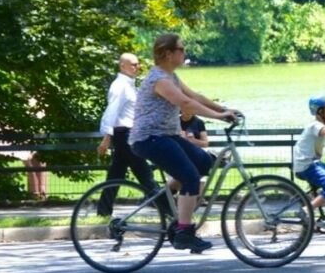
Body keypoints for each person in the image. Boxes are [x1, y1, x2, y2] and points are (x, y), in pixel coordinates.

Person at [129, 34, 238, 253]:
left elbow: (195, 96)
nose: (184, 52)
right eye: (181, 49)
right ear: (168, 54)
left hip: (167, 135)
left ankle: (162, 200)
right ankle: (184, 232)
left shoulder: (172, 77)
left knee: (204, 163)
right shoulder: (159, 80)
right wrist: (219, 116)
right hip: (150, 138)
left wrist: (224, 110)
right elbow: (185, 103)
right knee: (190, 177)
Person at [96, 53, 163, 216]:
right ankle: (170, 211)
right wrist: (106, 138)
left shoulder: (129, 85)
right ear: (122, 66)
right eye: (133, 64)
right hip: (126, 136)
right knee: (146, 176)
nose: (137, 67)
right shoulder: (120, 86)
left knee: (115, 176)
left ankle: (103, 212)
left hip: (127, 136)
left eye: (138, 64)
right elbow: (112, 112)